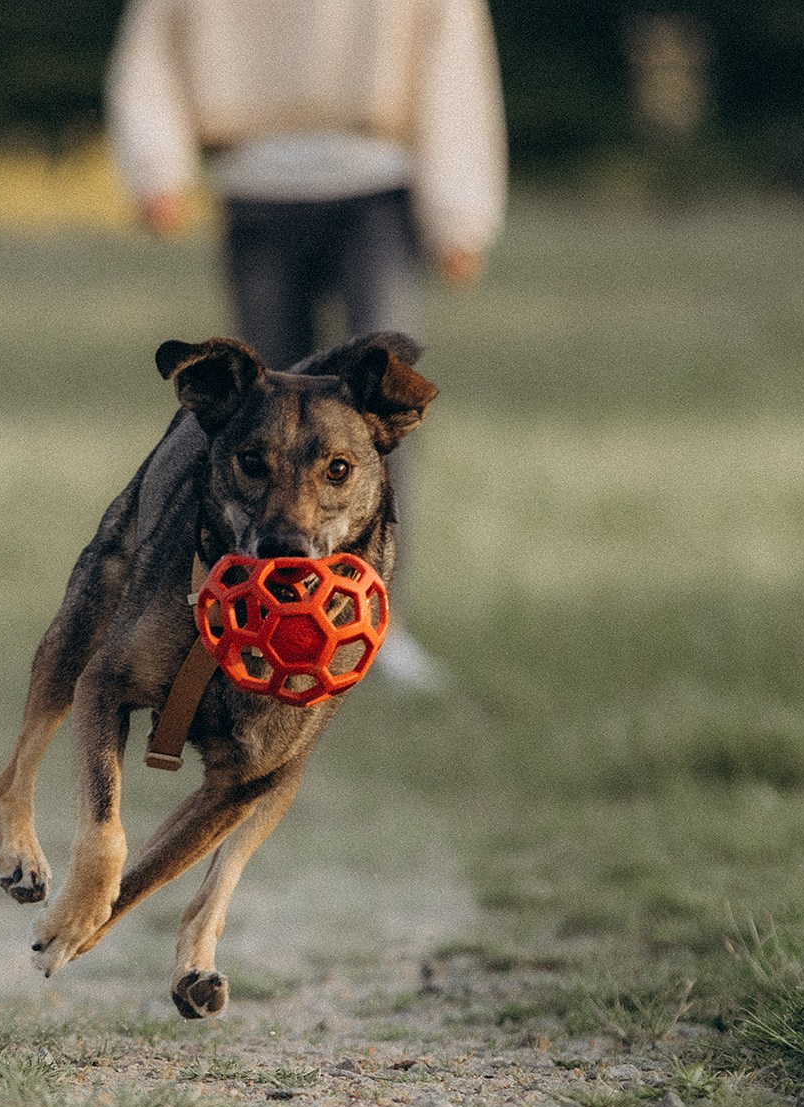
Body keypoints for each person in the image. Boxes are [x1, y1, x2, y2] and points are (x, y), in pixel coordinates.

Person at [105, 0, 508, 689]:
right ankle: (259, 617)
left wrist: (459, 205)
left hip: (378, 184)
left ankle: (380, 618)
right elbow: (158, 38)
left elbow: (450, 47)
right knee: (258, 430)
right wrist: (157, 163)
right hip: (257, 181)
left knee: (376, 422)